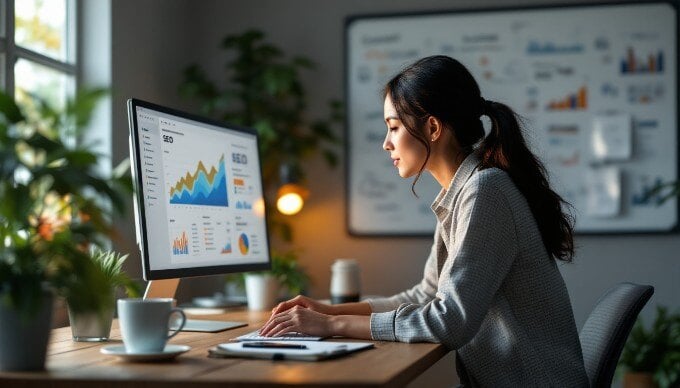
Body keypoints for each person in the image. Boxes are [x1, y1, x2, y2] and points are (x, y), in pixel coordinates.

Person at [259, 55, 588, 387]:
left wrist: (332, 327)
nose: (386, 143)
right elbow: (426, 295)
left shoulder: (485, 191)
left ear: (432, 128)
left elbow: (450, 320)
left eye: (394, 127)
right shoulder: (462, 192)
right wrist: (329, 312)